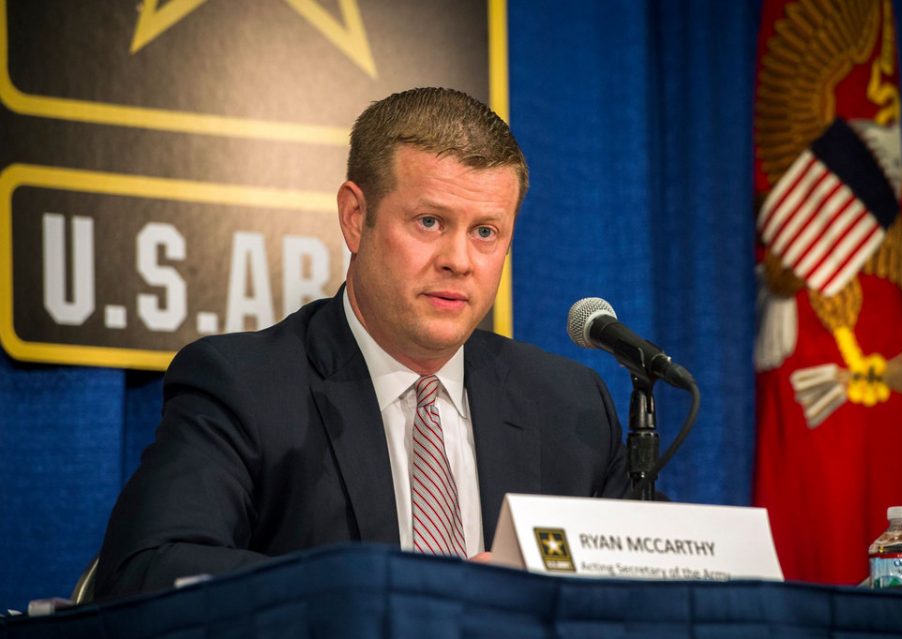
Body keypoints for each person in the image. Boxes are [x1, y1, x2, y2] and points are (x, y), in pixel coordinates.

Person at [95, 87, 628, 599]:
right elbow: (149, 569)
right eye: (429, 222)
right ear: (355, 218)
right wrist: (400, 592)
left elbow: (652, 593)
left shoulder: (569, 408)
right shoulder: (245, 386)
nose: (459, 261)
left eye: (485, 232)